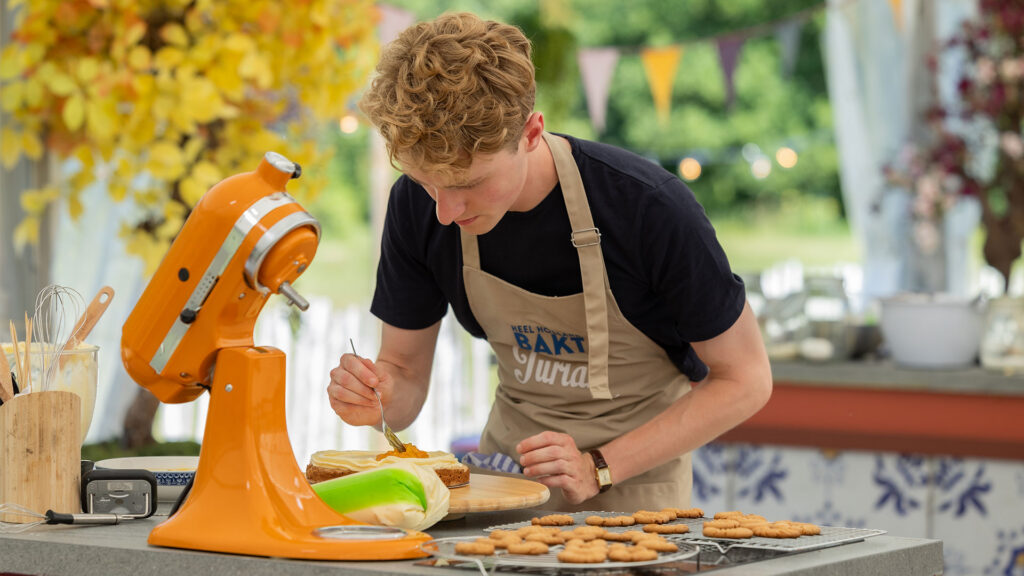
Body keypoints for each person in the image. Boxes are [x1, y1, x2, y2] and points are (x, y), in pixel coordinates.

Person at [327, 11, 772, 511]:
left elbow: (746, 380)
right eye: (428, 183)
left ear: (532, 132)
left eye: (469, 184)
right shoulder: (417, 207)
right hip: (503, 490)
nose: (446, 212)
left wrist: (598, 465)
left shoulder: (646, 207)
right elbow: (404, 377)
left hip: (636, 495)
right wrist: (378, 396)